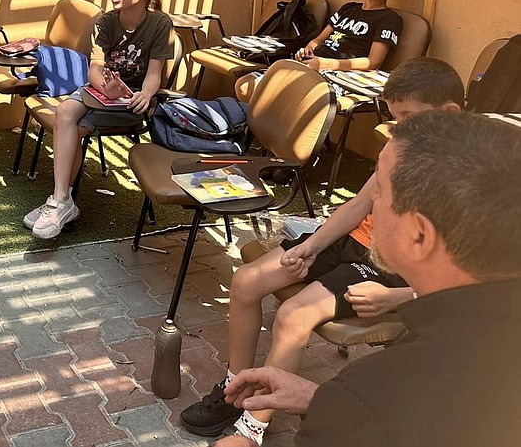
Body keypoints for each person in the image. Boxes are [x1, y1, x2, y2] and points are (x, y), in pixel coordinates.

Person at [181, 57, 465, 445]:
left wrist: (400, 297)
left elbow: (467, 272)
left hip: (389, 268)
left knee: (293, 315)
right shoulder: (403, 146)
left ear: (450, 114)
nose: (399, 128)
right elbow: (357, 206)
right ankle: (237, 390)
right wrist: (312, 246)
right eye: (395, 117)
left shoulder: (465, 177)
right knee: (246, 281)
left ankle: (252, 430)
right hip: (350, 242)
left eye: (409, 117)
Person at [222, 111, 521, 446]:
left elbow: (389, 414)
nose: (370, 203)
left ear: (419, 235)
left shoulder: (374, 401)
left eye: (381, 191)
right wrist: (318, 396)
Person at [26, 0, 174, 239]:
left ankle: (62, 201)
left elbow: (155, 73)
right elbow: (94, 69)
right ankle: (60, 200)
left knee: (70, 127)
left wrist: (144, 93)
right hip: (102, 92)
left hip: (132, 101)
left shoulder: (160, 24)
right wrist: (106, 89)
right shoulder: (105, 22)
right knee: (65, 112)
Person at [236, 0, 404, 101]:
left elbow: (373, 62)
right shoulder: (348, 8)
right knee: (244, 86)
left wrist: (325, 64)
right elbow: (319, 40)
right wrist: (308, 50)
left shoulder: (389, 19)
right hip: (313, 64)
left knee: (277, 95)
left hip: (339, 74)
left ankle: (279, 136)